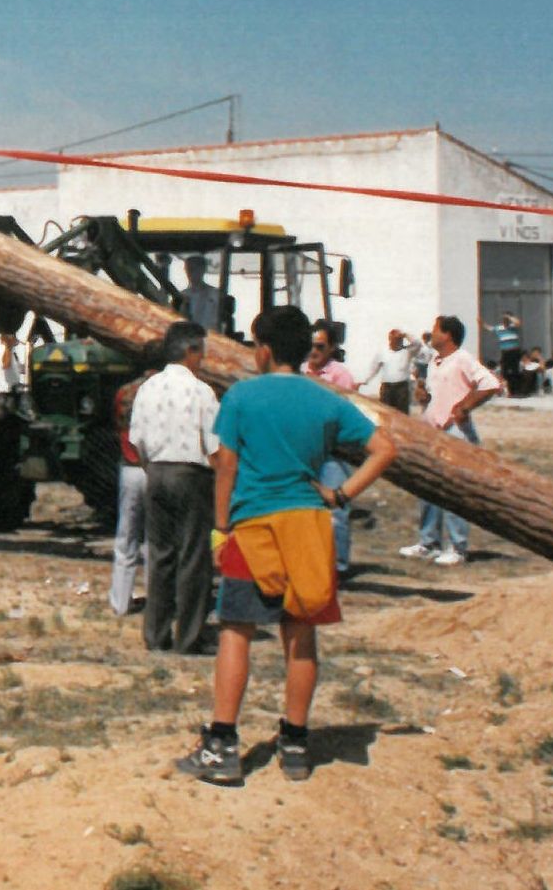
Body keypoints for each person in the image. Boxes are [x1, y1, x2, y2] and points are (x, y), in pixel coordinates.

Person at [176, 306, 398, 786]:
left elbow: (227, 465)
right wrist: (341, 495)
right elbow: (385, 449)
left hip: (254, 525)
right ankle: (295, 742)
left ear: (263, 350)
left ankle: (223, 743)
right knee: (300, 635)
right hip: (308, 525)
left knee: (236, 631)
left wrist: (220, 527)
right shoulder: (325, 399)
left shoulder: (242, 396)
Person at [131, 322, 220, 654]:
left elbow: (137, 437)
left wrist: (151, 467)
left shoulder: (148, 388)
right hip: (190, 473)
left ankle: (156, 633)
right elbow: (214, 443)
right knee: (193, 556)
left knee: (160, 554)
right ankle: (189, 636)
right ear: (190, 351)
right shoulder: (201, 391)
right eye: (201, 351)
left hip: (156, 471)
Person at [399, 316, 502, 568]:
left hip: (455, 431)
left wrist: (464, 407)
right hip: (432, 429)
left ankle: (457, 547)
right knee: (428, 486)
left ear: (447, 335)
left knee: (453, 489)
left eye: (436, 330)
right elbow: (437, 393)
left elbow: (490, 384)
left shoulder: (462, 359)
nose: (432, 334)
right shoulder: (436, 361)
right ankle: (428, 542)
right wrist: (424, 396)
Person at [305, 323, 361, 576]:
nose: (314, 351)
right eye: (310, 346)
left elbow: (348, 412)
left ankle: (339, 565)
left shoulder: (341, 375)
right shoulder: (300, 371)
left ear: (331, 348)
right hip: (307, 451)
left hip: (333, 452)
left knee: (336, 510)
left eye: (320, 346)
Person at [108, 374, 147, 619]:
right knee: (155, 540)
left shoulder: (125, 392)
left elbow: (117, 425)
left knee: (126, 537)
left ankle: (120, 602)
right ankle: (158, 600)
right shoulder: (163, 390)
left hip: (129, 466)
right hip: (156, 467)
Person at [181, 257, 224, 334]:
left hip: (211, 337)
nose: (189, 273)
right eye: (187, 269)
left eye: (192, 269)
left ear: (202, 270)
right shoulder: (182, 296)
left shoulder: (215, 294)